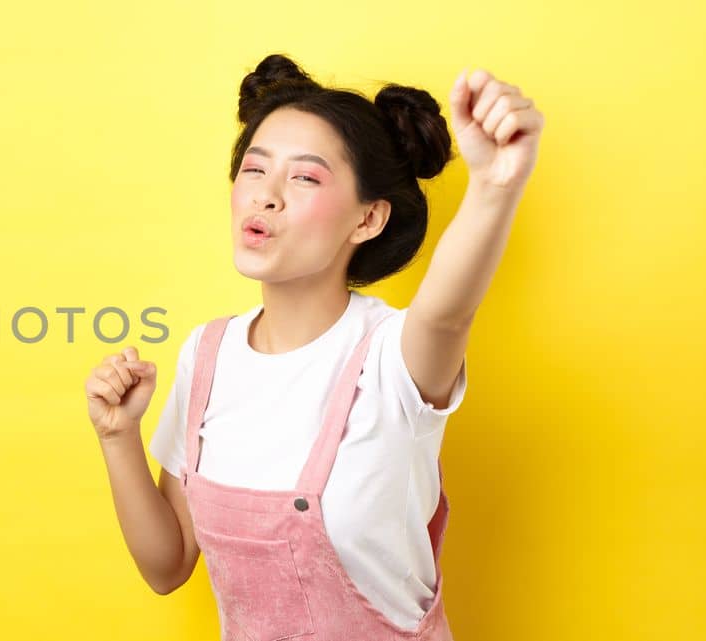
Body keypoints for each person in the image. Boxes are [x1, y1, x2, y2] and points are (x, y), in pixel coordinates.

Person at [84, 53, 543, 639]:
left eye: (304, 177)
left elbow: (448, 314)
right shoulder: (207, 354)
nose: (266, 196)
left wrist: (495, 185)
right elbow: (167, 566)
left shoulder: (392, 359)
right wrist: (117, 435)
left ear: (368, 219)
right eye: (254, 169)